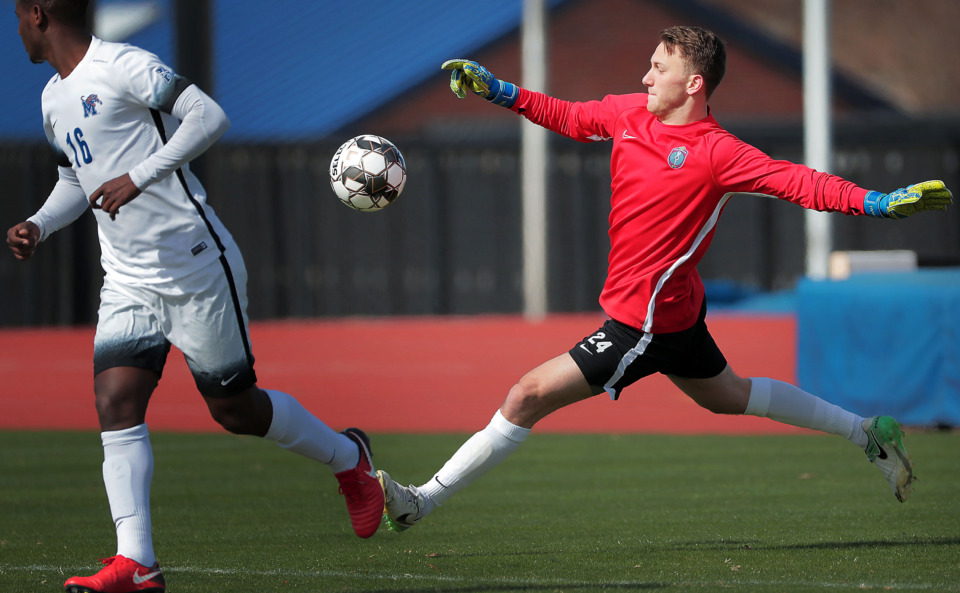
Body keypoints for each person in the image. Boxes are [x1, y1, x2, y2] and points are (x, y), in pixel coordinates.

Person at [376, 25, 952, 532]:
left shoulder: (717, 152)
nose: (645, 74)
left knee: (525, 395)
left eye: (659, 66)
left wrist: (876, 202)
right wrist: (498, 90)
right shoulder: (629, 114)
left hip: (643, 324)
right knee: (731, 395)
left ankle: (419, 503)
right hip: (673, 313)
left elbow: (798, 181)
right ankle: (868, 432)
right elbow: (572, 116)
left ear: (694, 83)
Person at [7, 1, 384, 591]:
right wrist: (39, 223)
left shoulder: (124, 64)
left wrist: (141, 174)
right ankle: (137, 563)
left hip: (194, 265)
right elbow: (71, 181)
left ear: (37, 14)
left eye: (16, 16)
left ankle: (349, 459)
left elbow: (208, 116)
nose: (16, 30)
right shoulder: (54, 99)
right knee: (116, 400)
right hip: (127, 277)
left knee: (235, 409)